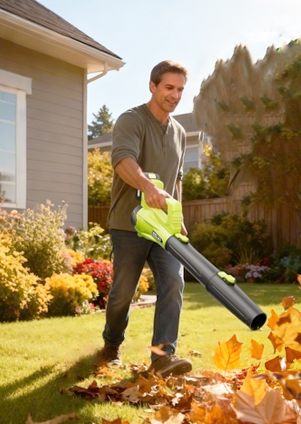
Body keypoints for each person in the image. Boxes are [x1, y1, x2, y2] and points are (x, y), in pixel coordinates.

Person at [99, 60, 192, 376]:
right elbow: (122, 160)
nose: (175, 95)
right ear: (152, 86)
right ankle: (112, 345)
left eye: (180, 89)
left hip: (164, 227)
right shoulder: (132, 120)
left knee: (173, 282)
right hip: (129, 223)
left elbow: (177, 178)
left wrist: (179, 215)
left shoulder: (180, 132)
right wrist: (148, 187)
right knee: (123, 292)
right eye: (169, 87)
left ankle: (162, 357)